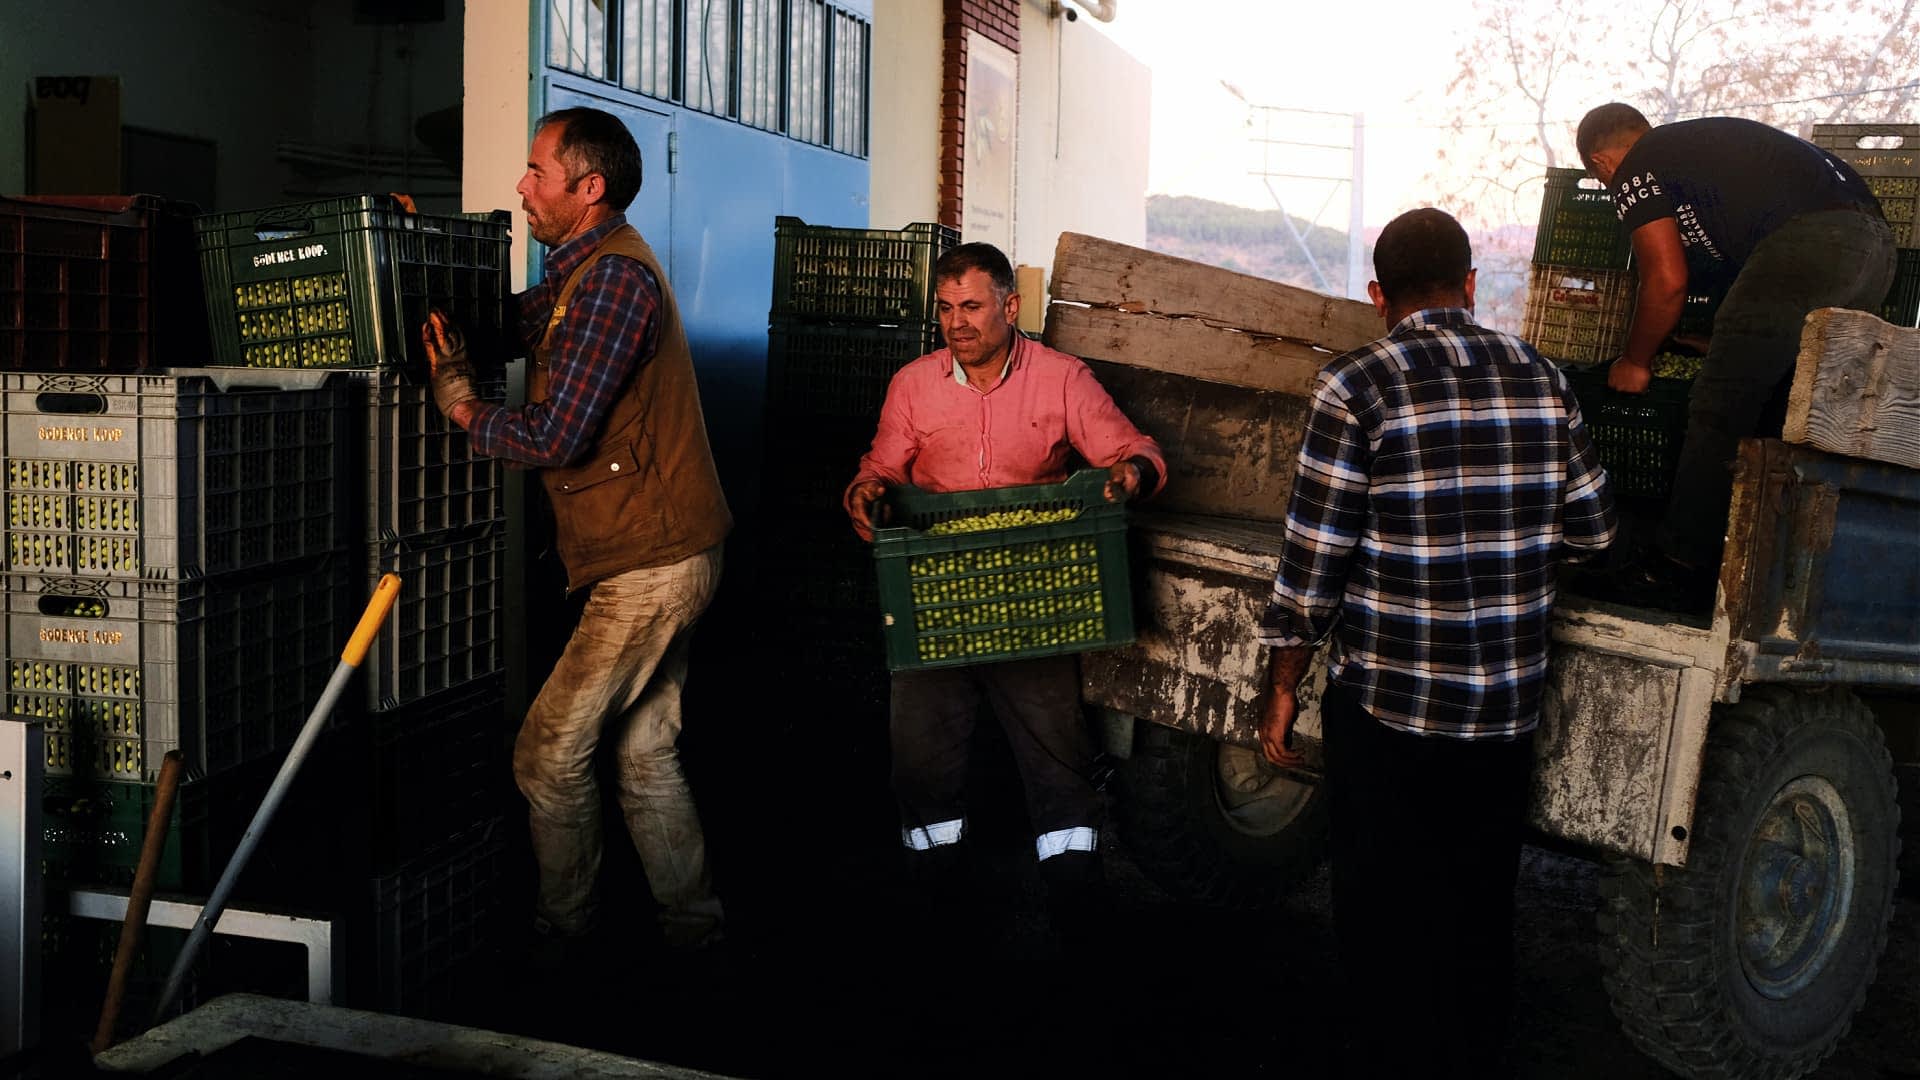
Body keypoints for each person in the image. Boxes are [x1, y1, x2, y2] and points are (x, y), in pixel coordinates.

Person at [1256, 209, 1616, 1076]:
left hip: (1389, 709)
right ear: (1469, 286)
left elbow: (1313, 566)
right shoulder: (1544, 379)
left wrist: (1282, 686)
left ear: (1378, 295)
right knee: (1479, 904)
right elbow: (1595, 532)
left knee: (1383, 910)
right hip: (1504, 709)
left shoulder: (1355, 386)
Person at [423, 106, 733, 960]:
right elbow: (523, 321)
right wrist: (423, 286)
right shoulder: (581, 272)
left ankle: (566, 942)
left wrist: (461, 406)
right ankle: (696, 937)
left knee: (547, 755)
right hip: (672, 551)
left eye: (537, 173)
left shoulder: (612, 284)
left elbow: (554, 437)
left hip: (651, 564)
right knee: (642, 753)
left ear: (588, 189)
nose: (521, 186)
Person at [842, 241, 1166, 962]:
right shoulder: (914, 386)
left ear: (1010, 307)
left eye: (972, 307)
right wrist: (865, 496)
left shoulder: (1061, 379)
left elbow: (1132, 447)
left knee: (1060, 763)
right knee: (920, 763)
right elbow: (879, 468)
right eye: (946, 308)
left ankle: (1079, 918)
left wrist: (1131, 475)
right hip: (936, 604)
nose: (957, 323)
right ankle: (937, 918)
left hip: (1033, 603)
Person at [1575, 104, 1894, 607]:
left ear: (1602, 164)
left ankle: (1676, 568)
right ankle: (1754, 570)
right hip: (1874, 249)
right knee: (1777, 413)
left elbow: (1667, 281)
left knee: (1721, 404)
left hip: (1812, 241)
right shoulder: (1695, 153)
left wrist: (1635, 361)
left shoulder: (1637, 166)